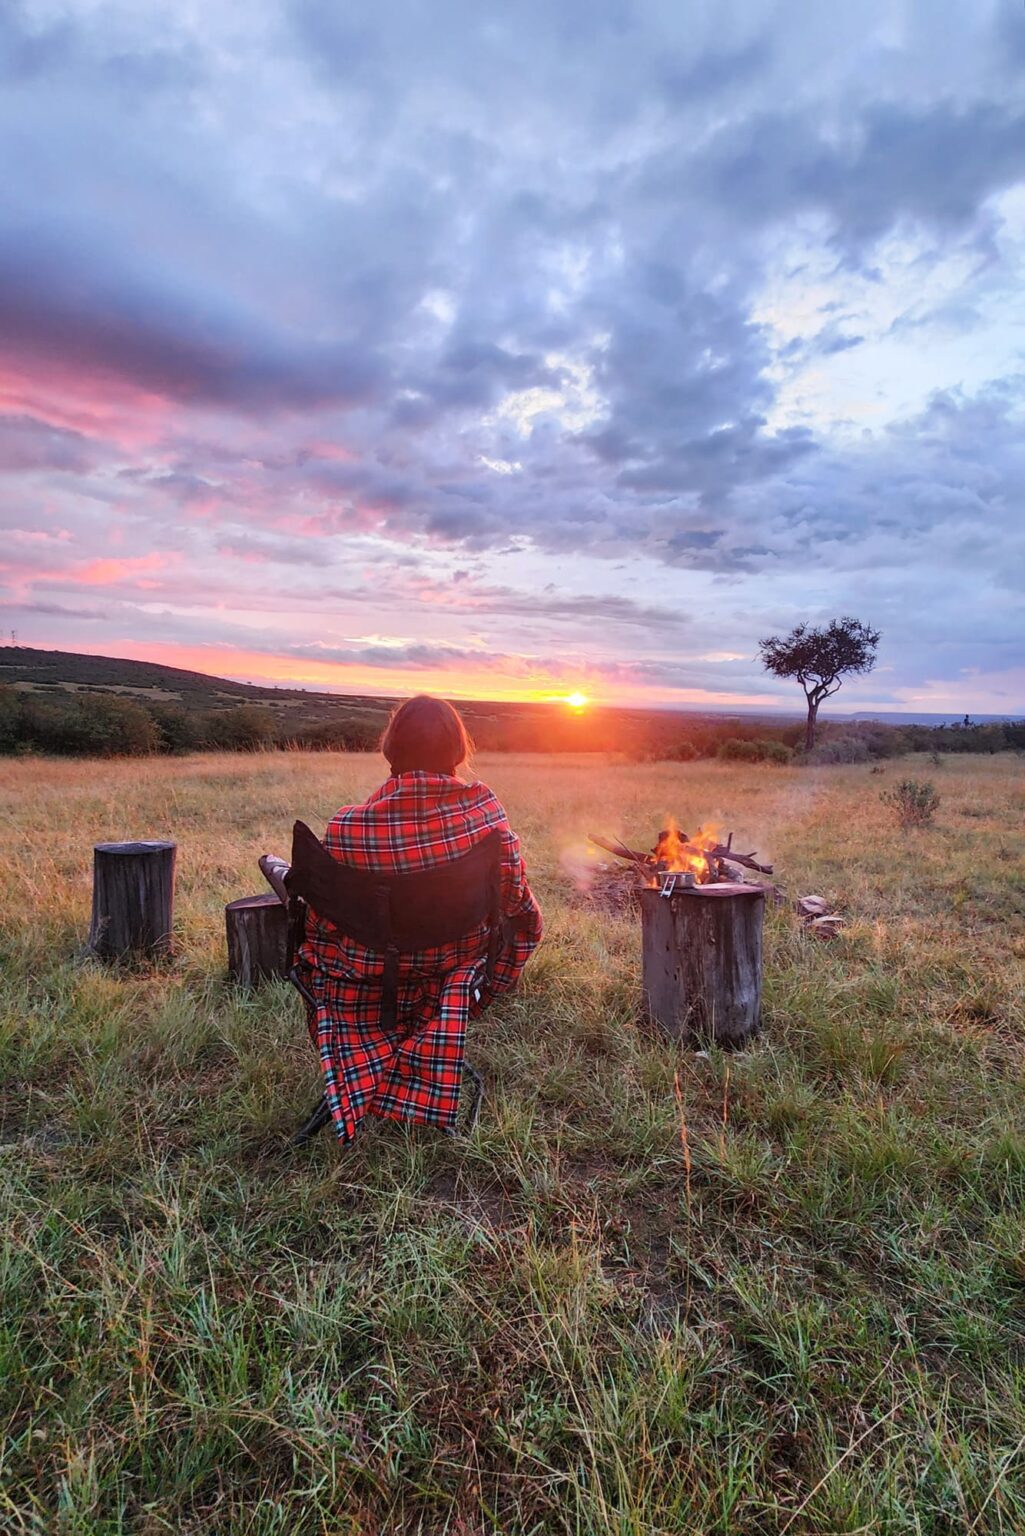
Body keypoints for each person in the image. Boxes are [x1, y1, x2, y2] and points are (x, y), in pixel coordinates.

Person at [293, 695, 543, 1142]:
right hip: (456, 971)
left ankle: (372, 1060)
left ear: (392, 748)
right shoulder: (486, 814)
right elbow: (517, 901)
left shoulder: (347, 828)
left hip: (364, 981)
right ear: (457, 751)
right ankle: (424, 1053)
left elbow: (323, 923)